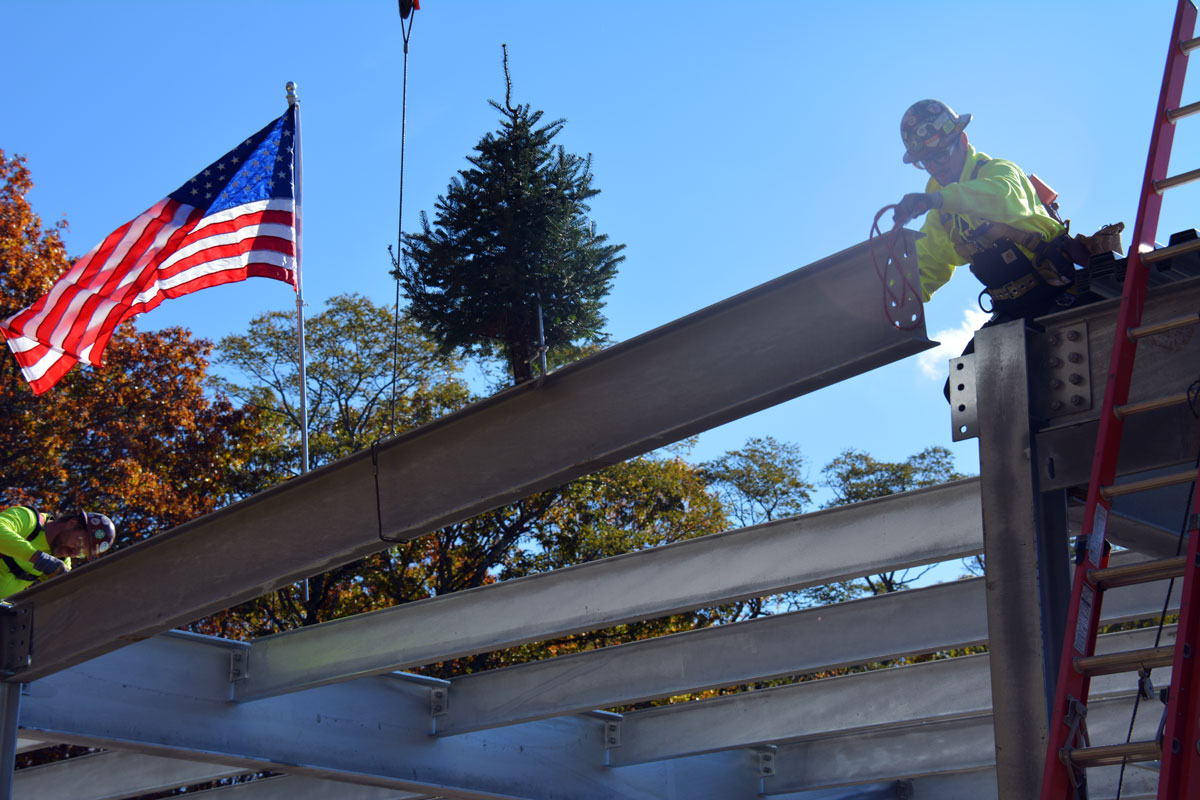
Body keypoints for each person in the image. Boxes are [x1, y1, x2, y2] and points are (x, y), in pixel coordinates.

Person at [892, 99, 1088, 322]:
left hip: (1064, 291)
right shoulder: (944, 214)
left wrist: (937, 199)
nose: (935, 168)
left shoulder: (998, 172)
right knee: (975, 357)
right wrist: (888, 298)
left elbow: (999, 198)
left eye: (940, 155)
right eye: (926, 162)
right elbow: (926, 264)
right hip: (1013, 311)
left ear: (963, 141)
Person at [0, 506, 116, 599]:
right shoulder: (29, 519)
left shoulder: (62, 563)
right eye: (79, 543)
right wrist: (37, 558)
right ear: (72, 523)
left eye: (81, 554)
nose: (75, 553)